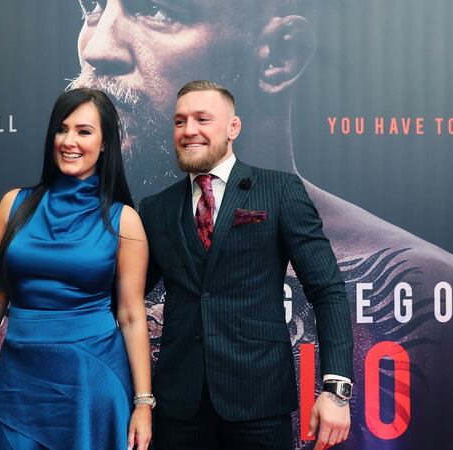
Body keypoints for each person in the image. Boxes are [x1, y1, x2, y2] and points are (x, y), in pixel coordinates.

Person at [0, 2, 453, 449]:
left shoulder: (435, 303)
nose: (97, 46)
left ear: (276, 58)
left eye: (158, 9)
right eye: (93, 4)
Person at [139, 80, 352, 450]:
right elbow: (128, 298)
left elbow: (327, 289)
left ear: (233, 128)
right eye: (180, 121)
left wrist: (336, 389)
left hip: (259, 399)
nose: (189, 130)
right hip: (178, 405)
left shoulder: (279, 190)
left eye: (203, 119)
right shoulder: (156, 208)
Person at [0, 88, 152, 449]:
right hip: (18, 381)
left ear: (106, 142)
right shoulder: (13, 205)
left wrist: (143, 403)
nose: (69, 141)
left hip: (92, 380)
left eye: (84, 131)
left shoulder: (124, 221)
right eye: (62, 130)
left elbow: (131, 315)